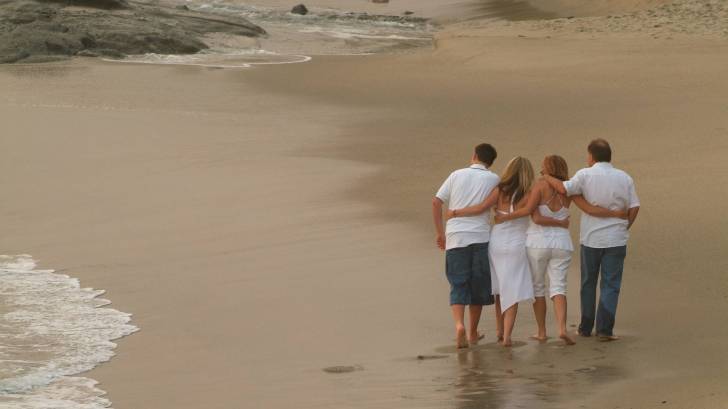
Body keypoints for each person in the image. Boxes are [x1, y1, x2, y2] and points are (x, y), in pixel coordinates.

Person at [495, 155, 626, 346]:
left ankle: (541, 332)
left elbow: (535, 217)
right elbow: (590, 209)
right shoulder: (570, 191)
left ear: (546, 169)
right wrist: (615, 213)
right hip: (562, 244)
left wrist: (506, 217)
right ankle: (562, 329)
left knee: (538, 288)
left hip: (538, 243)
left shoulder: (539, 187)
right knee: (559, 287)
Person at [542, 139, 640, 341]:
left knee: (588, 282)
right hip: (617, 239)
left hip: (591, 238)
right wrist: (625, 225)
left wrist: (546, 176)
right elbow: (635, 206)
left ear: (592, 156)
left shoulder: (585, 174)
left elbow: (563, 188)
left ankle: (586, 327)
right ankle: (605, 329)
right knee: (611, 284)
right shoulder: (624, 177)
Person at [448, 157, 538, 347]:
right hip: (516, 243)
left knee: (499, 289)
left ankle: (499, 331)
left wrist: (456, 212)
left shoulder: (499, 190)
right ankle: (506, 337)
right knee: (511, 289)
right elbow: (530, 211)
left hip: (496, 243)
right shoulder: (529, 192)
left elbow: (481, 208)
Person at [432, 143, 500, 348]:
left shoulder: (456, 174)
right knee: (478, 287)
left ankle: (459, 325)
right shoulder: (494, 179)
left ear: (474, 156)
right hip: (480, 236)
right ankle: (472, 332)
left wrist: (440, 233)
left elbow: (437, 202)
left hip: (455, 236)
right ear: (490, 162)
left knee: (458, 283)